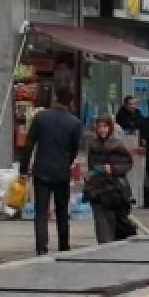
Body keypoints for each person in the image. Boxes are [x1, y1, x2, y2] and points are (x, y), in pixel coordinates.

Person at [20, 87, 83, 255]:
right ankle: (64, 245)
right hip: (61, 172)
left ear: (55, 99)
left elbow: (29, 144)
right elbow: (74, 149)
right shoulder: (74, 123)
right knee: (62, 211)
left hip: (41, 171)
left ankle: (41, 247)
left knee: (41, 212)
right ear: (71, 102)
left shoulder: (40, 118)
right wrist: (66, 163)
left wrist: (23, 168)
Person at [84, 115, 134, 244]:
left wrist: (112, 168)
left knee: (112, 222)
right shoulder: (93, 144)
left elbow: (127, 163)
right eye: (99, 127)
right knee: (101, 224)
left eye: (105, 126)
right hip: (97, 189)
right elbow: (91, 164)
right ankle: (104, 246)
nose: (102, 130)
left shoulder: (117, 144)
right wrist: (90, 176)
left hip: (113, 190)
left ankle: (110, 247)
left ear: (110, 127)